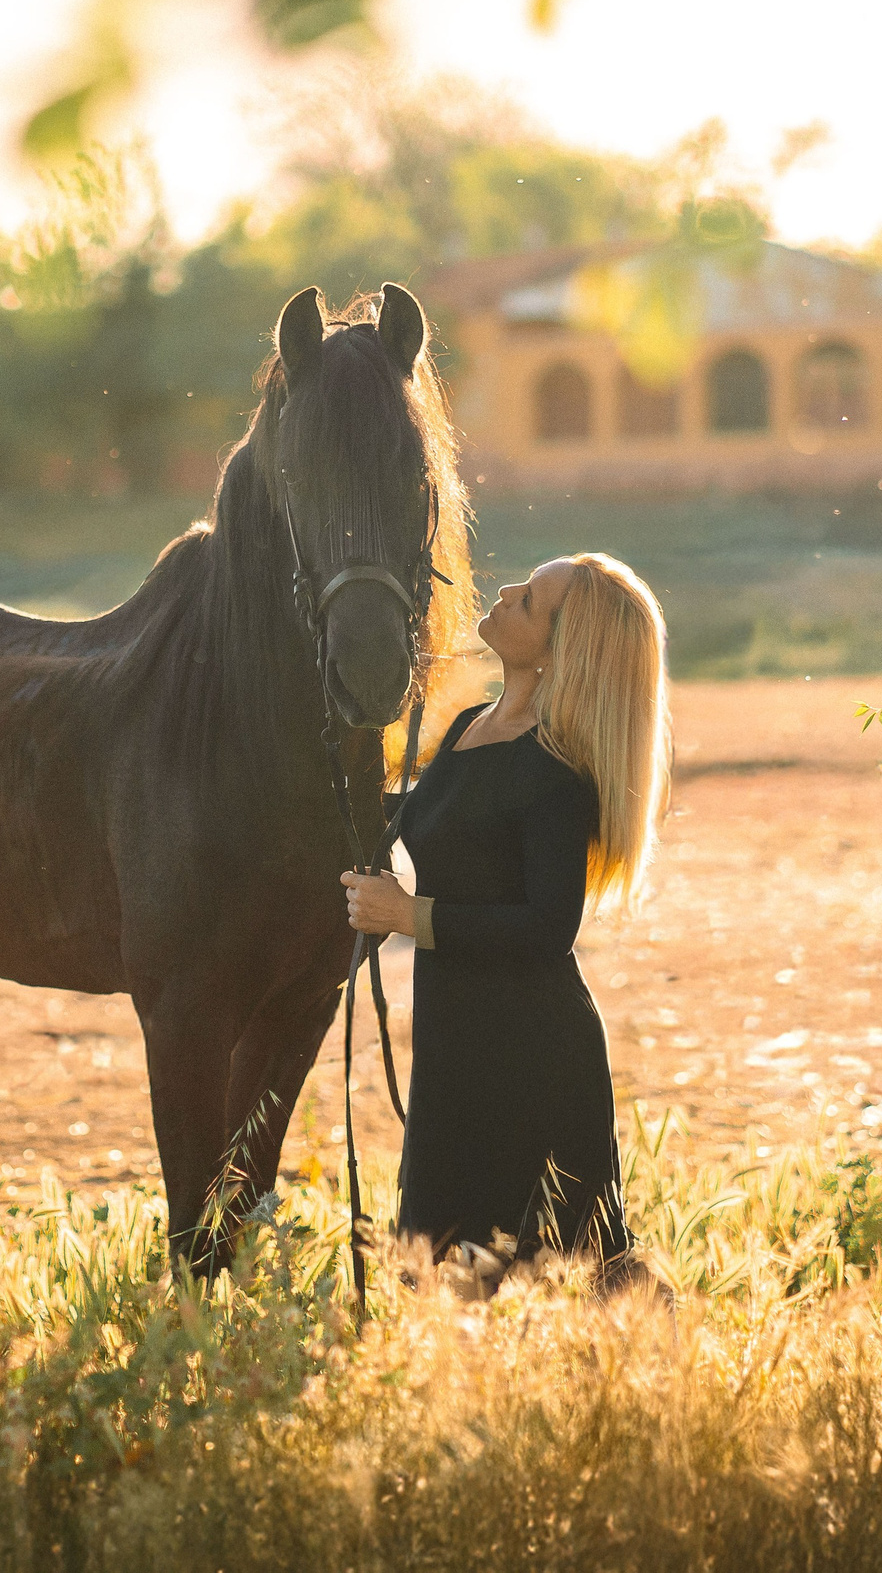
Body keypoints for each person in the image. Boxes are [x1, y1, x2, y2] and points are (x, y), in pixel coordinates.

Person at [341, 551, 669, 1291]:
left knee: (554, 1278)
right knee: (445, 1270)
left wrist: (408, 915)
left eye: (530, 601)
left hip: (532, 1054)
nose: (507, 591)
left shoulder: (557, 773)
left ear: (560, 651)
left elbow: (547, 929)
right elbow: (402, 824)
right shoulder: (465, 728)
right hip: (455, 1042)